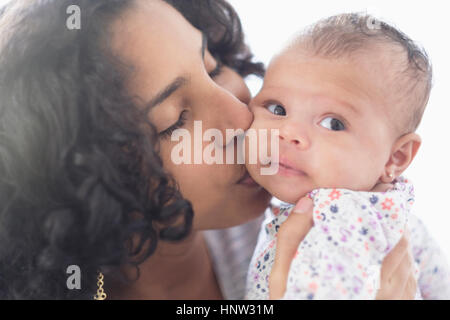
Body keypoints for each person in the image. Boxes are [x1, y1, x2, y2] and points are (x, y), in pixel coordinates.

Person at [0, 0, 416, 299]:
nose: (240, 115)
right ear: (93, 185)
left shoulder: (318, 215)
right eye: (175, 121)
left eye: (213, 64)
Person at [245, 13, 450, 299]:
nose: (288, 132)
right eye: (277, 109)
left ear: (396, 158)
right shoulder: (397, 217)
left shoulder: (340, 221)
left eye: (333, 123)